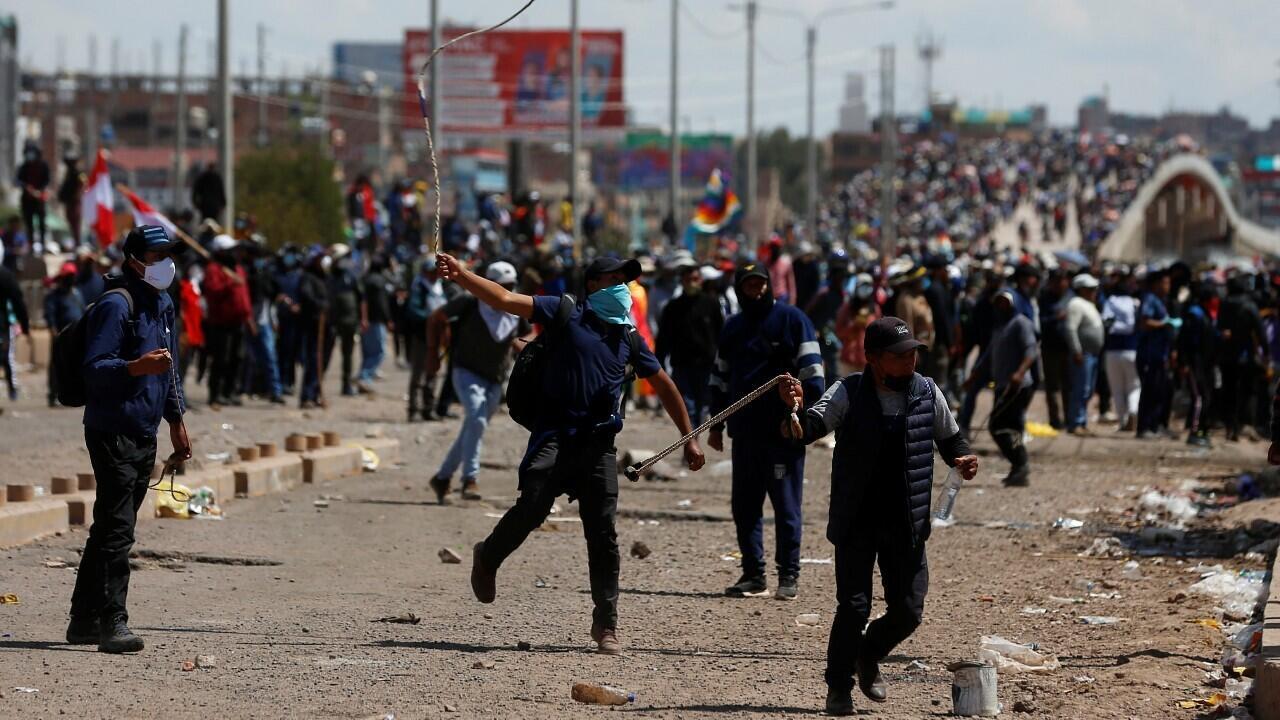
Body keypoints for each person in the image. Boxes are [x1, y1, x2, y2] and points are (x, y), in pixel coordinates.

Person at [440, 253, 705, 656]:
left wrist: (690, 437)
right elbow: (505, 299)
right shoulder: (566, 312)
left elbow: (665, 385)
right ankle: (488, 556)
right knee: (532, 508)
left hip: (598, 446)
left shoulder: (627, 337)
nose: (622, 287)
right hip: (554, 436)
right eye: (613, 279)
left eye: (625, 281)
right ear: (593, 283)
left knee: (603, 535)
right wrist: (462, 275)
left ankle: (606, 624)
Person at [780, 317, 977, 715]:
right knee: (854, 607)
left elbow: (951, 439)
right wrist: (793, 410)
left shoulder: (927, 391)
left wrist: (964, 458)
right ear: (872, 358)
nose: (909, 361)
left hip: (906, 521)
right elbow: (807, 430)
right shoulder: (849, 391)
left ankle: (867, 655)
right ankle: (838, 687)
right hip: (857, 519)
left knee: (908, 610)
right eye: (899, 355)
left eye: (912, 354)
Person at [68, 225, 191, 653]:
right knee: (119, 529)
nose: (166, 264)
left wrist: (176, 420)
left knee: (110, 525)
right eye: (157, 257)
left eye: (169, 256)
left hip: (144, 428)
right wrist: (135, 367)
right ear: (135, 260)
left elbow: (169, 369)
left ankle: (83, 620)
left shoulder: (161, 303)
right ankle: (112, 621)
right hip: (111, 429)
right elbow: (95, 368)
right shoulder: (116, 305)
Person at [709, 263, 825, 601]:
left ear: (769, 285)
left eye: (761, 283)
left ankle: (788, 574)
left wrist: (802, 413)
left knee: (786, 507)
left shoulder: (793, 320)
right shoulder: (733, 327)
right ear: (740, 288)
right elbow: (719, 378)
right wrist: (716, 424)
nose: (756, 290)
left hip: (783, 434)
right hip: (745, 433)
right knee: (744, 507)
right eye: (749, 285)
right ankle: (753, 574)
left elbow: (814, 374)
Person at [427, 261, 530, 503]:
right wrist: (432, 352)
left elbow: (527, 332)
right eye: (503, 286)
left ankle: (442, 477)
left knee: (474, 426)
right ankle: (470, 479)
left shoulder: (513, 307)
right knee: (476, 419)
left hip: (495, 378)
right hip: (466, 371)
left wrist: (524, 345)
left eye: (511, 286)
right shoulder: (470, 302)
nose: (506, 291)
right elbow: (436, 318)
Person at [966, 289, 1037, 486]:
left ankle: (1020, 463)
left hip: (1017, 386)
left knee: (998, 425)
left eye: (1004, 302)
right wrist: (974, 375)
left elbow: (1031, 351)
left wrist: (1020, 372)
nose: (1001, 306)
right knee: (1006, 426)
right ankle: (1018, 468)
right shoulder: (999, 327)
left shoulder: (1021, 323)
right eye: (998, 302)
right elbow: (989, 355)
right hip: (1002, 384)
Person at [655, 261, 724, 425]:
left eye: (695, 279)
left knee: (704, 405)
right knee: (687, 407)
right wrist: (659, 364)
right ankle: (691, 437)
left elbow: (721, 333)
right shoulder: (673, 307)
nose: (692, 283)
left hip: (707, 365)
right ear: (682, 282)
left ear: (701, 280)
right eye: (688, 280)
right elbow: (664, 337)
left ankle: (695, 435)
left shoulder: (711, 304)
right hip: (682, 366)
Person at [201, 235, 252, 408]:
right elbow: (212, 291)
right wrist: (230, 283)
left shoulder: (238, 269)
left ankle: (230, 392)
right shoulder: (214, 269)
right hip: (221, 322)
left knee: (237, 358)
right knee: (221, 359)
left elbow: (244, 296)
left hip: (238, 322)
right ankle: (216, 394)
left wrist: (248, 317)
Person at [1218, 276, 1264, 442]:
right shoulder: (1250, 305)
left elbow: (1219, 327)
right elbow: (1260, 330)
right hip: (1245, 356)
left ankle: (1230, 426)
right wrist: (1265, 351)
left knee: (1229, 391)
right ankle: (1244, 424)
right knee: (1247, 391)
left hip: (1227, 355)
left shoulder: (1224, 304)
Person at [405, 255, 450, 421]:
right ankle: (414, 409)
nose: (434, 275)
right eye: (431, 272)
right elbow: (413, 311)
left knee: (433, 372)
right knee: (419, 373)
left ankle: (428, 408)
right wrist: (432, 318)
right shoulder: (419, 288)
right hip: (422, 335)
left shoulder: (439, 287)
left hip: (437, 335)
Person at [1135, 270, 1175, 439]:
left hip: (1160, 354)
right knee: (1149, 391)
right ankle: (1144, 428)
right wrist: (1164, 324)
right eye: (1165, 283)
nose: (1168, 286)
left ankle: (1155, 426)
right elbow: (1144, 322)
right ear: (1156, 284)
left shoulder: (1160, 301)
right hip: (1149, 354)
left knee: (1159, 391)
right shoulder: (1150, 299)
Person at [324, 244, 366, 397]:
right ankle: (317, 385)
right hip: (332, 322)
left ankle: (346, 385)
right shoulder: (328, 277)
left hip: (349, 321)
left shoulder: (351, 276)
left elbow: (362, 299)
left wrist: (363, 319)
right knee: (326, 353)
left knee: (348, 355)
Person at [1178, 285, 1218, 448]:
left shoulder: (1205, 314)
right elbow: (1185, 341)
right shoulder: (1194, 315)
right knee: (1199, 398)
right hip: (1194, 363)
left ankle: (1202, 430)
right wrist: (1184, 362)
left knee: (1205, 396)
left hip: (1204, 363)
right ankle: (1194, 432)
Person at [1064, 274, 1104, 435]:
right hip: (1083, 354)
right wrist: (1077, 351)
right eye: (1090, 289)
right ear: (1081, 289)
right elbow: (1070, 329)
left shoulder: (1089, 304)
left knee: (1088, 390)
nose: (1094, 292)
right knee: (1081, 389)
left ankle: (1082, 421)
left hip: (1092, 354)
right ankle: (1076, 423)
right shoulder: (1076, 304)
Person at [1101, 273, 1142, 432]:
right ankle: (1133, 411)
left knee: (1117, 388)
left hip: (1112, 350)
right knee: (1134, 386)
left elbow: (1105, 321)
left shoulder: (1110, 302)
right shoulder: (1135, 303)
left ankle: (1123, 421)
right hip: (1132, 349)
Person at [44, 261, 86, 406]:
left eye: (72, 276)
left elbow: (82, 311)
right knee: (57, 366)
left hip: (77, 336)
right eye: (68, 276)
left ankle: (75, 394)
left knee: (75, 365)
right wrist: (54, 333)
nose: (70, 279)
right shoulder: (54, 295)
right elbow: (50, 315)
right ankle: (54, 394)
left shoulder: (77, 293)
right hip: (61, 336)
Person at [296, 249, 331, 409]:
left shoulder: (324, 277)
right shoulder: (308, 277)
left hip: (327, 324)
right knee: (313, 360)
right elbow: (306, 295)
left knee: (323, 361)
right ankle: (307, 396)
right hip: (314, 324)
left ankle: (316, 392)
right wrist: (319, 305)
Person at [1038, 270, 1072, 429]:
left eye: (1063, 280)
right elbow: (1041, 321)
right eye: (1057, 281)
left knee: (1068, 385)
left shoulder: (1071, 297)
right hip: (1050, 348)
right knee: (1052, 386)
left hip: (1068, 348)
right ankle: (1054, 420)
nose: (1060, 284)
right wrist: (1056, 318)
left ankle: (1069, 418)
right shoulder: (1045, 298)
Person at [358, 254, 396, 389]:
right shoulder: (379, 281)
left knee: (368, 351)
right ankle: (365, 376)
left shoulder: (364, 279)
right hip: (376, 320)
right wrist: (388, 319)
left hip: (364, 321)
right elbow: (381, 303)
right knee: (380, 351)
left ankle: (364, 375)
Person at [0, 243, 30, 401]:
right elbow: (19, 303)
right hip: (2, 326)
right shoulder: (6, 276)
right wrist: (25, 326)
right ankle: (12, 388)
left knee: (7, 358)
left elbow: (18, 303)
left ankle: (12, 388)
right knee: (7, 357)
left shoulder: (5, 276)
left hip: (3, 326)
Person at [16, 141, 51, 248]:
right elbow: (18, 180)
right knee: (29, 223)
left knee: (41, 223)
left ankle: (43, 244)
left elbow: (47, 180)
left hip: (40, 199)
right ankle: (31, 245)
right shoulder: (24, 166)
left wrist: (40, 191)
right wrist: (27, 187)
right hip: (27, 199)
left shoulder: (43, 166)